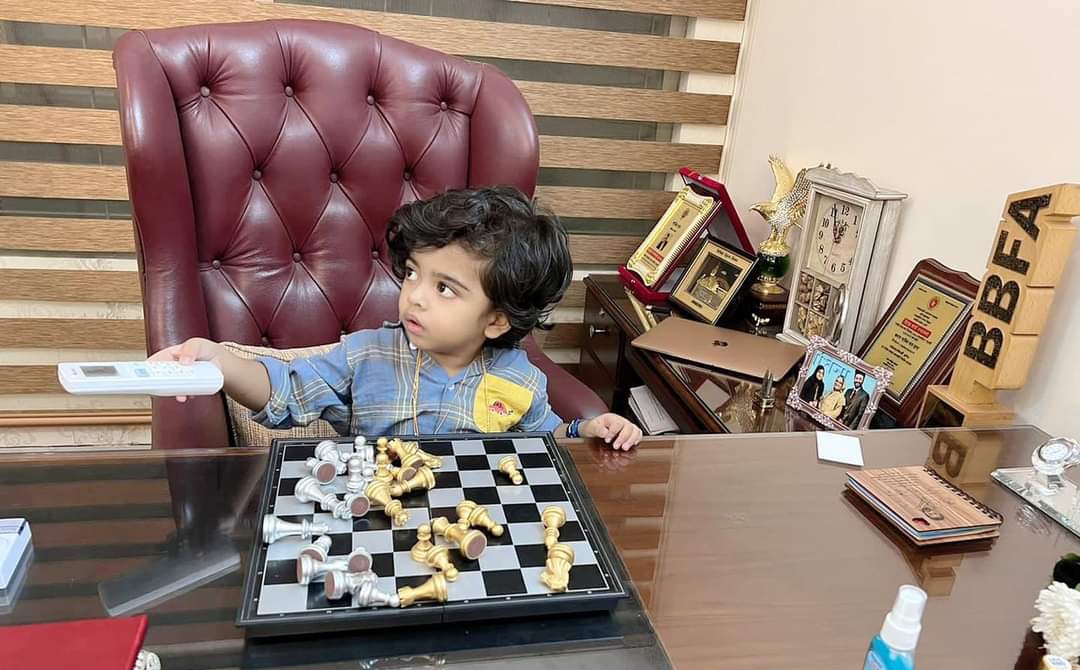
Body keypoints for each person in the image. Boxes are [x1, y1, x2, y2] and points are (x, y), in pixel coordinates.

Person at [150, 187, 643, 451]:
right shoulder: (365, 355)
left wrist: (587, 430)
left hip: (473, 526)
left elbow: (542, 439)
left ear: (496, 321)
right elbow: (285, 390)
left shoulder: (521, 380)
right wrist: (219, 361)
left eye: (444, 288)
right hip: (375, 520)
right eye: (411, 274)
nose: (415, 297)